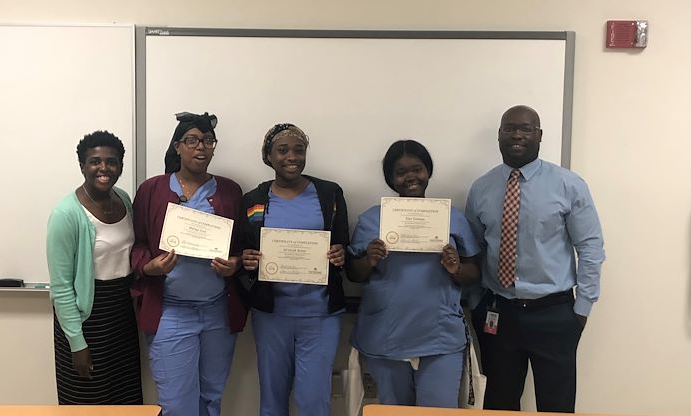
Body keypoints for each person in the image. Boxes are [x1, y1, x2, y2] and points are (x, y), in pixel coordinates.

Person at [465, 105, 605, 412]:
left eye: (526, 129)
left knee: (556, 405)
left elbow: (591, 247)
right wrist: (476, 301)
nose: (517, 135)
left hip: (554, 312)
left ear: (539, 135)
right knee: (499, 402)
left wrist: (582, 307)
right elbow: (473, 249)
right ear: (499, 136)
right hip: (498, 312)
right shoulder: (481, 188)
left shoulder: (569, 185)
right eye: (509, 128)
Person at [346, 139, 480, 408]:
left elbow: (474, 272)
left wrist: (456, 269)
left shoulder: (452, 217)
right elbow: (353, 274)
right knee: (394, 411)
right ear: (390, 179)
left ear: (428, 171)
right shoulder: (372, 218)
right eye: (400, 172)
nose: (410, 177)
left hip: (439, 338)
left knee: (438, 411)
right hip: (386, 337)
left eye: (417, 169)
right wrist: (369, 261)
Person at [130, 112, 245, 416]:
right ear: (177, 146)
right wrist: (149, 266)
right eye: (192, 141)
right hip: (170, 311)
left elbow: (242, 248)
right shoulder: (152, 190)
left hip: (216, 312)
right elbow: (137, 245)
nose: (201, 147)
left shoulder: (230, 191)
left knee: (211, 399)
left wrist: (234, 263)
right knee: (177, 405)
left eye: (207, 141)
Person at [238, 123, 349, 416]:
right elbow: (242, 252)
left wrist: (341, 253)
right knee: (272, 400)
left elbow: (343, 246)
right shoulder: (253, 201)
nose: (292, 157)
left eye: (299, 150)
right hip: (271, 314)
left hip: (320, 314)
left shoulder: (329, 194)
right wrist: (247, 260)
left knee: (314, 400)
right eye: (283, 150)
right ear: (269, 156)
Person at [46, 130, 142, 405]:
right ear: (82, 166)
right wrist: (77, 343)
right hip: (87, 318)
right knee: (87, 401)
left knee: (124, 399)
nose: (104, 168)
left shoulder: (123, 199)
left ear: (120, 166)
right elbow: (62, 288)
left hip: (121, 314)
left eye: (111, 161)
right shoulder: (66, 214)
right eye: (95, 161)